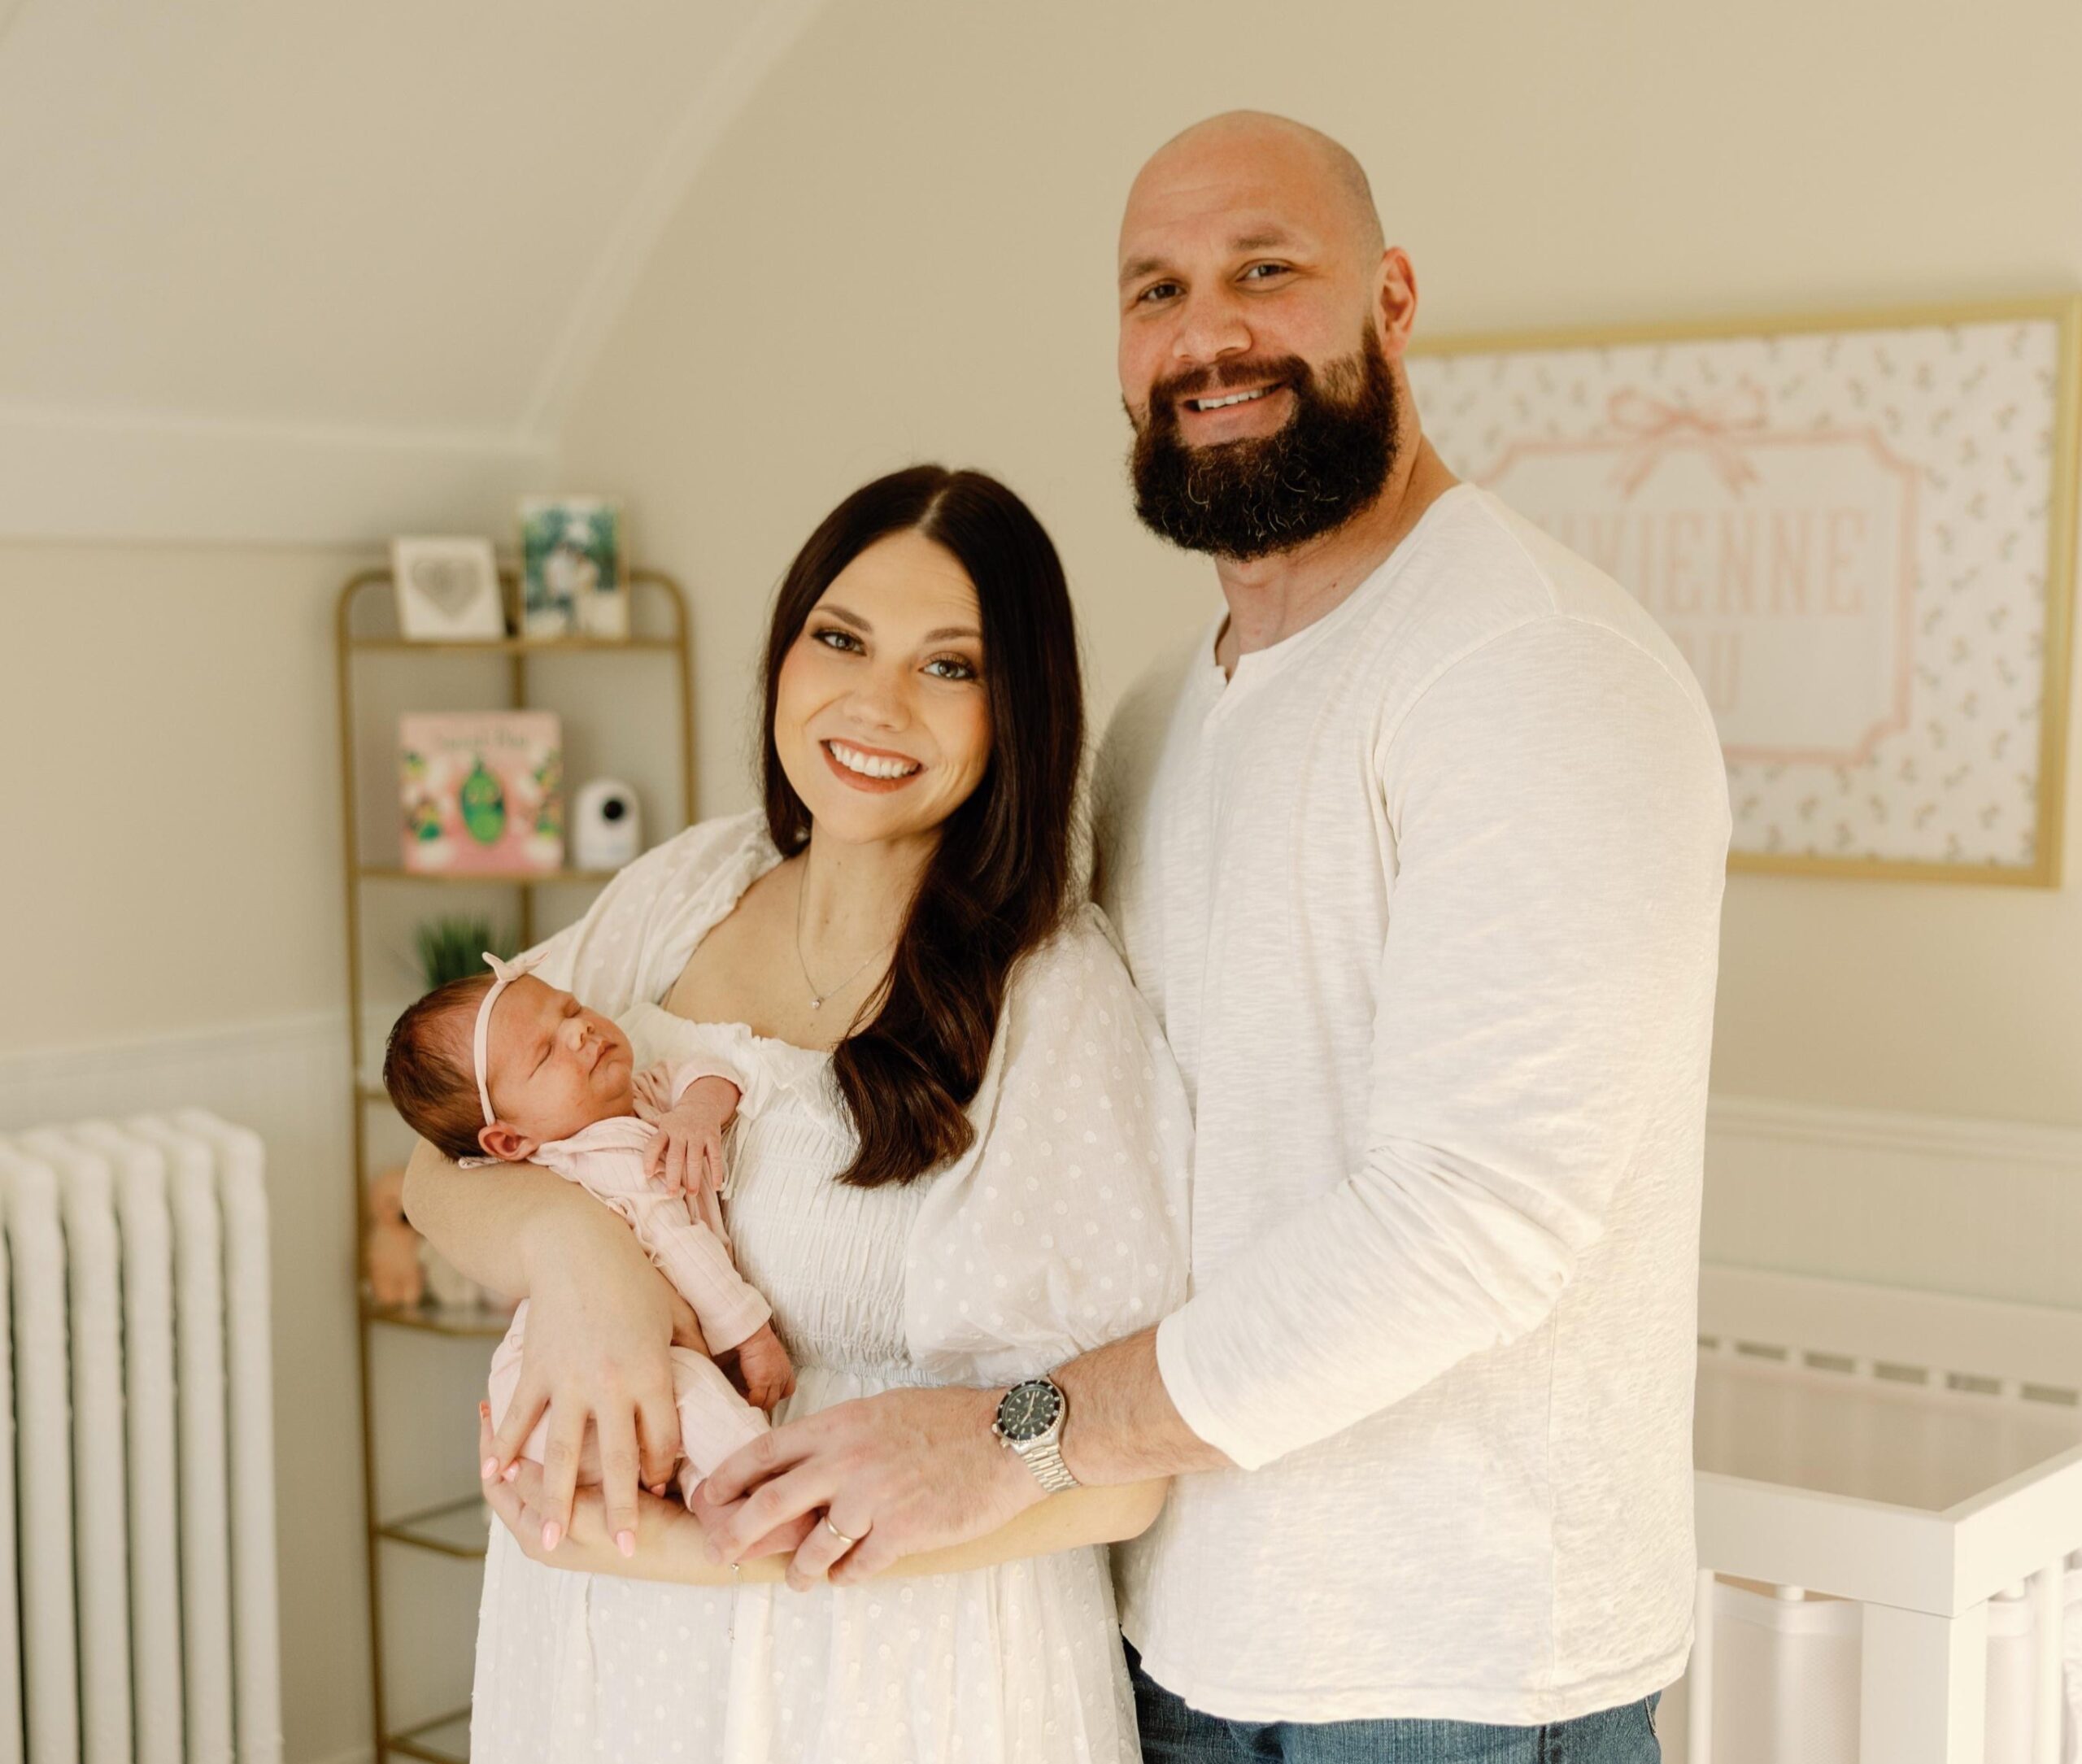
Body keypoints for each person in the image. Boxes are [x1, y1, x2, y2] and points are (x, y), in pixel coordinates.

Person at [685, 113, 1732, 1761]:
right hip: (1163, 1628)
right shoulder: (1165, 718)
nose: (1206, 335)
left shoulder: (1528, 669)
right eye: (1155, 290)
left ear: (1387, 299)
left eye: (1264, 272)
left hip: (1440, 1675)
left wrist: (1008, 1436)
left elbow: (1475, 1213)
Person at [406, 464, 1191, 1762]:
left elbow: (1123, 1473)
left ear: (1018, 713)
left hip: (891, 1670)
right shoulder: (687, 888)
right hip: (609, 1650)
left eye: (950, 666)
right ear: (783, 654)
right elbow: (439, 1158)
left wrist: (736, 1559)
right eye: (840, 638)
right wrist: (578, 1255)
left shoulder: (1052, 996)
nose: (874, 703)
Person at [381, 952, 795, 1507]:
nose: (579, 1030)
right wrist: (753, 1335)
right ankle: (766, 1487)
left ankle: (705, 1496)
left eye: (570, 1008)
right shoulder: (610, 1158)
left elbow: (705, 1070)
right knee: (691, 1388)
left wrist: (697, 1109)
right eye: (546, 1052)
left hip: (596, 1385)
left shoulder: (635, 1099)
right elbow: (685, 1248)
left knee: (684, 1402)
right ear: (508, 1142)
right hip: (561, 1392)